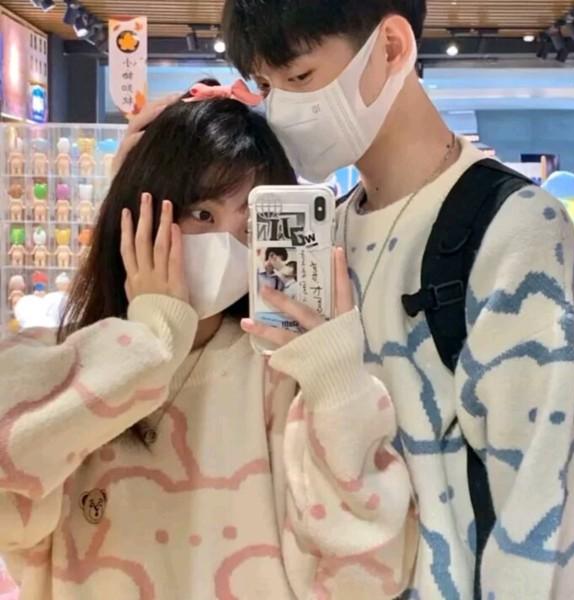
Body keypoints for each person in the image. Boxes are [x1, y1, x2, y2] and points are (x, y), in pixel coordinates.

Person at [222, 1, 574, 599]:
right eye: (267, 88)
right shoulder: (324, 236)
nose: (283, 109)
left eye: (299, 76)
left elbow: (546, 506)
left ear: (392, 47)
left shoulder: (515, 230)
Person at [0, 80, 415, 600]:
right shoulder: (64, 362)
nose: (225, 246)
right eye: (202, 215)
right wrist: (152, 341)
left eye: (251, 228)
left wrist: (336, 381)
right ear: (139, 212)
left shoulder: (279, 374)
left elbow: (365, 574)